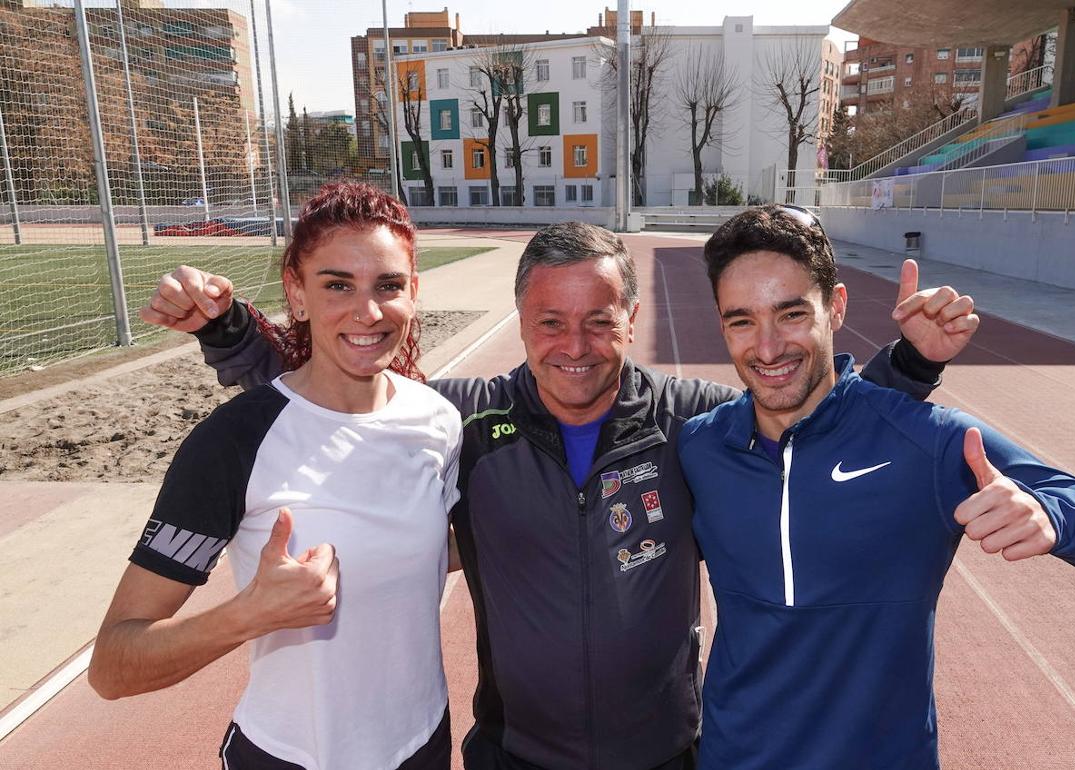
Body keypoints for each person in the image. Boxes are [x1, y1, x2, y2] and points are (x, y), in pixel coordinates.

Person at [140, 219, 979, 770]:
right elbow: (334, 397)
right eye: (550, 322)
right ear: (522, 319)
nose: (574, 346)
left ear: (633, 318)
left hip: (665, 755)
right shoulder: (463, 420)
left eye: (598, 320)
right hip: (515, 756)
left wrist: (910, 365)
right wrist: (229, 333)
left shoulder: (694, 423)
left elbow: (807, 410)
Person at [678, 205, 1075, 769]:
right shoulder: (701, 446)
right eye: (741, 321)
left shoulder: (928, 441)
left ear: (836, 308)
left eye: (792, 314)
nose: (768, 347)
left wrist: (1054, 515)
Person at [89, 183, 463, 770]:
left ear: (413, 293)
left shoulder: (437, 420)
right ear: (298, 293)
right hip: (292, 756)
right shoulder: (234, 441)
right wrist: (251, 613)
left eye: (387, 286)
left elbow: (433, 548)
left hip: (422, 744)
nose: (367, 312)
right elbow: (112, 667)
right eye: (337, 284)